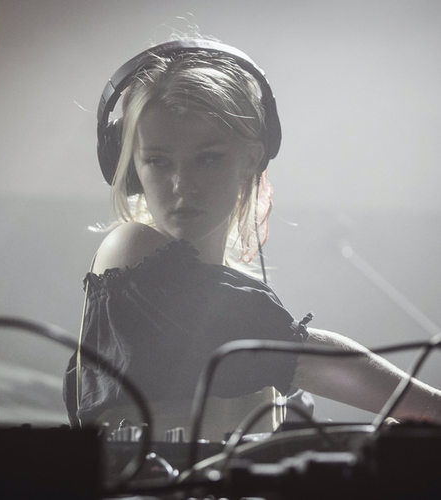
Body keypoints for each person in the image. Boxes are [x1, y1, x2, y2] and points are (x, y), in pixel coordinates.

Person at [63, 38, 441, 440]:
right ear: (132, 169)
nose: (181, 184)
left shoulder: (245, 318)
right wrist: (432, 406)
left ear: (249, 160)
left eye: (208, 158)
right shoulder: (128, 252)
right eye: (158, 161)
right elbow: (298, 357)